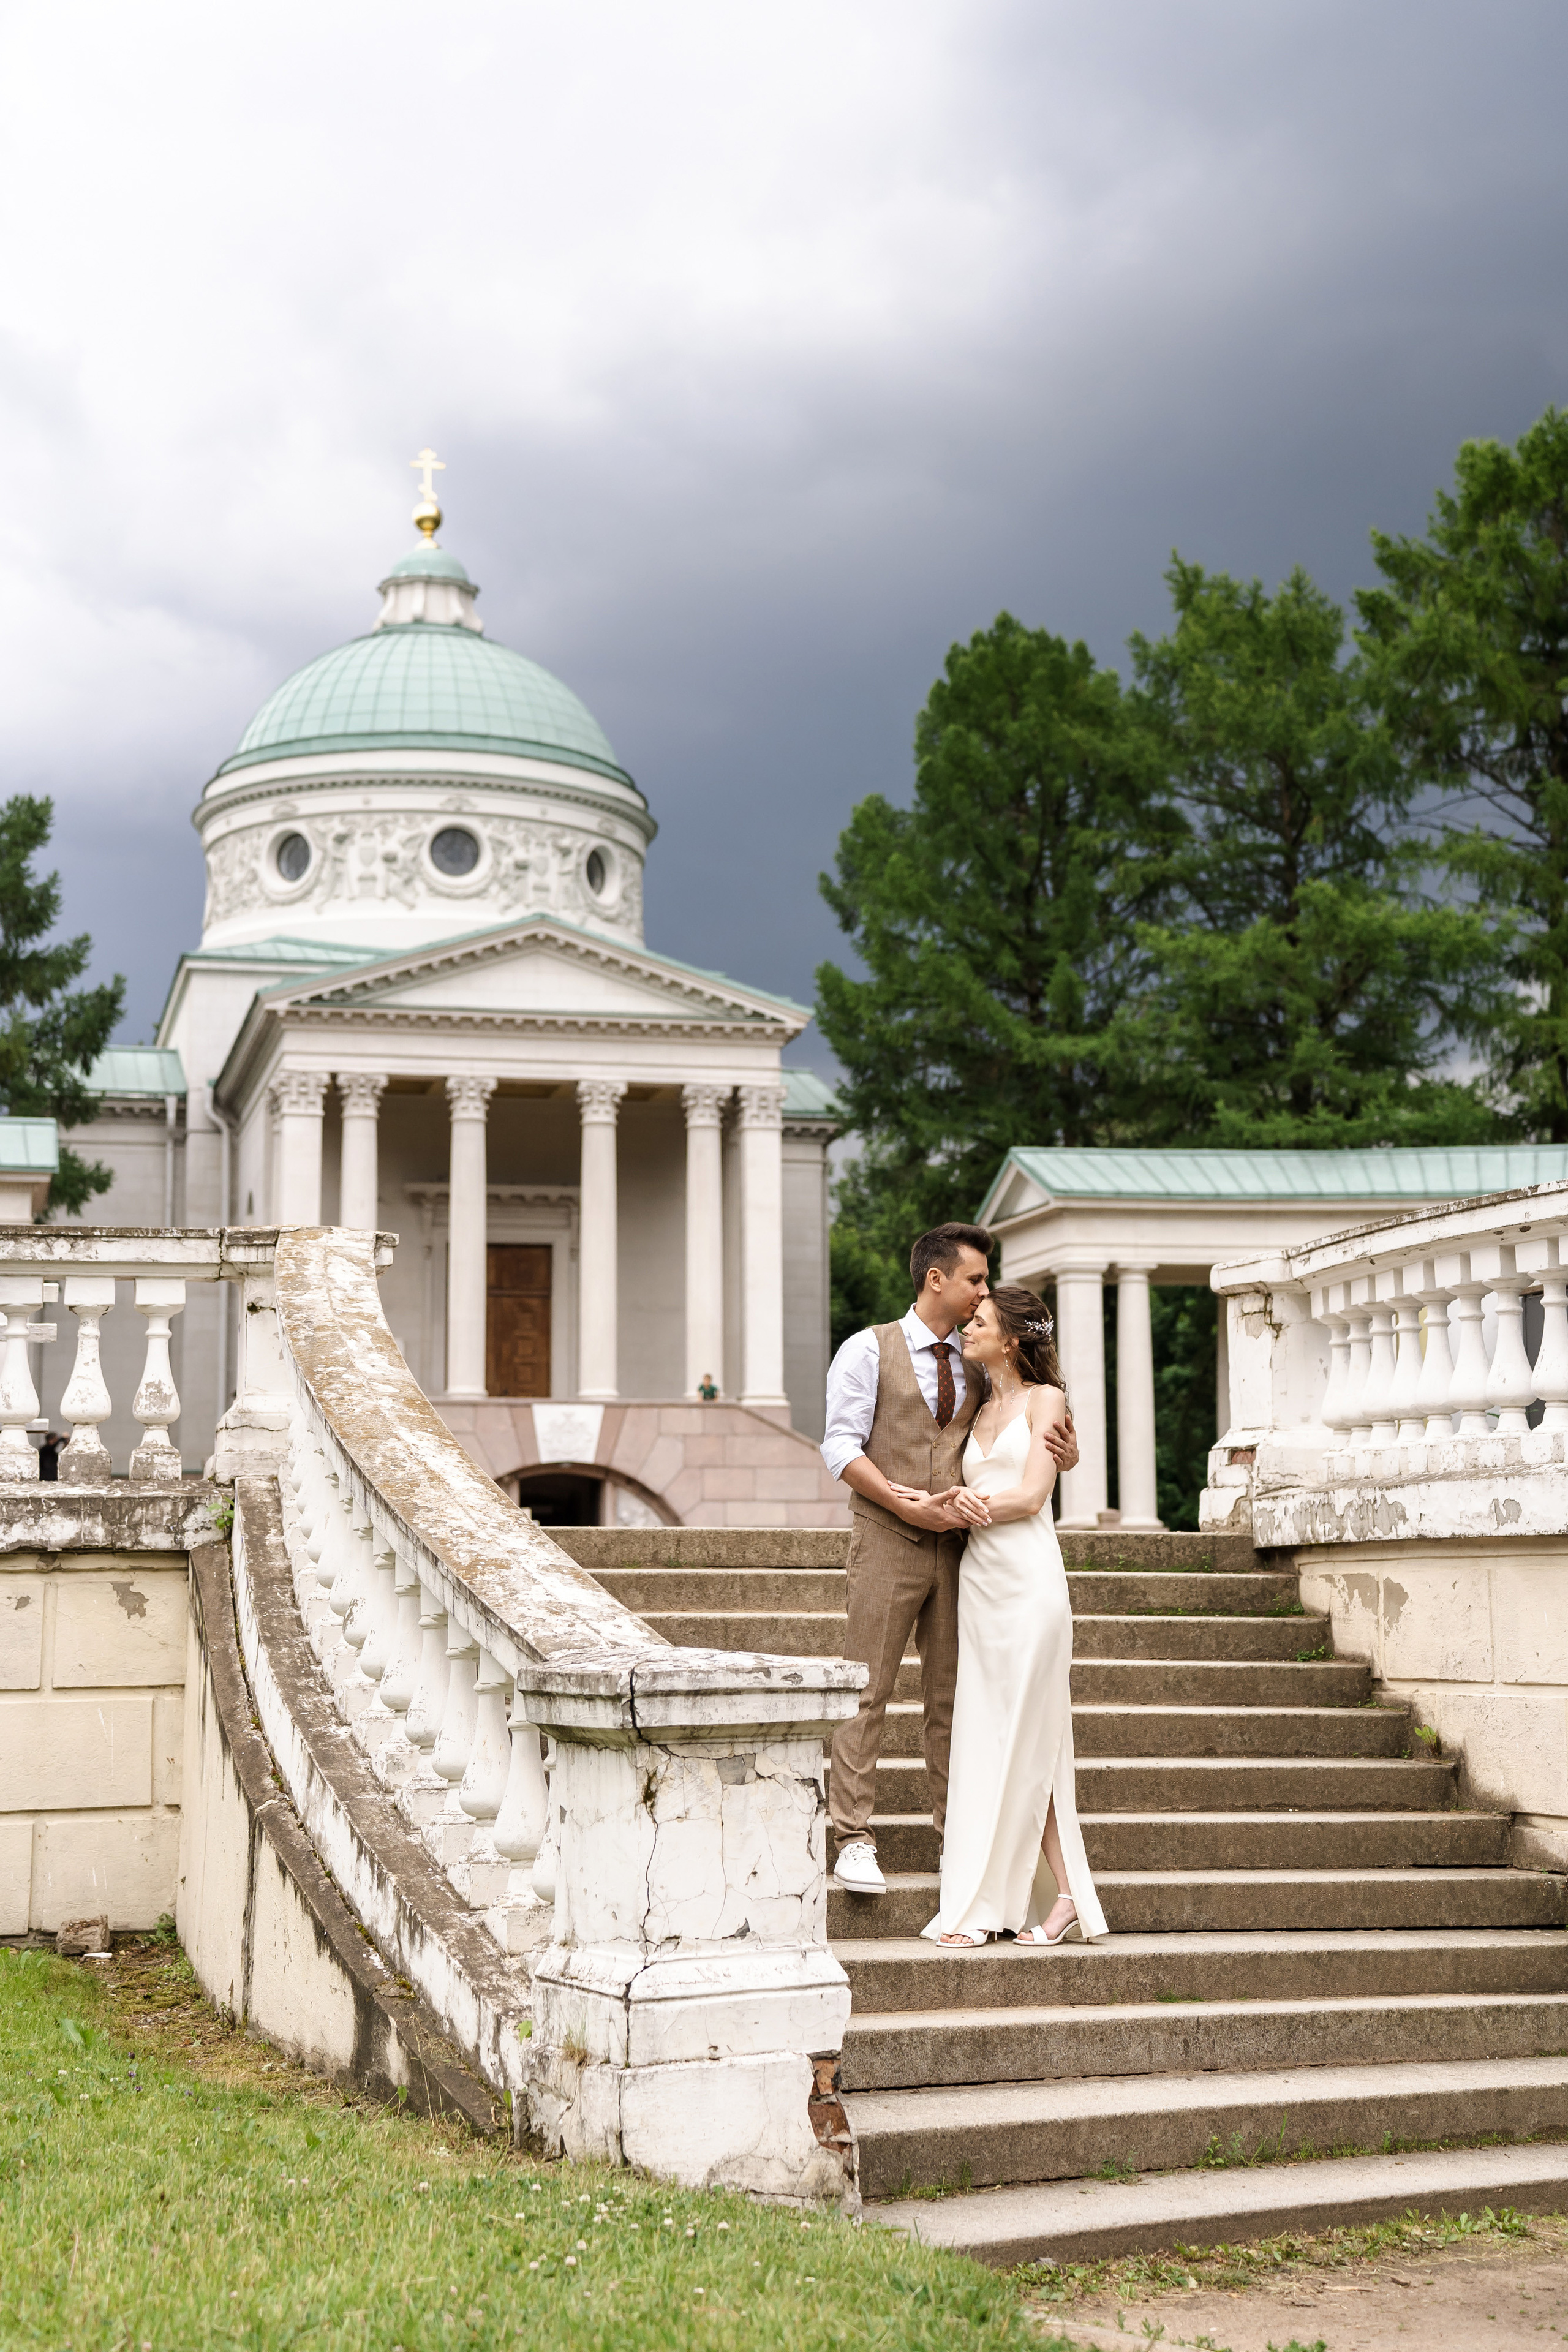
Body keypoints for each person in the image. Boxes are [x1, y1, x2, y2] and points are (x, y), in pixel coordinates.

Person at [820, 1224, 1077, 1896]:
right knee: (866, 1689)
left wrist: (1059, 1455)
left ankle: (953, 1839)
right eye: (974, 1281)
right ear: (936, 1279)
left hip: (967, 1552)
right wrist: (907, 1507)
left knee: (952, 1701)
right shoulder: (865, 1350)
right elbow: (840, 1448)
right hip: (886, 1540)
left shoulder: (978, 1357)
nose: (981, 1294)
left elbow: (1022, 1429)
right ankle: (851, 1837)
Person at [916, 1284, 1108, 1947]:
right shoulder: (978, 1403)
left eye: (980, 1322)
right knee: (989, 1739)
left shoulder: (1045, 1399)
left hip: (1029, 1583)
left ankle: (1059, 1898)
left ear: (1014, 1338)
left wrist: (954, 1505)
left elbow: (1030, 1496)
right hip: (980, 1586)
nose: (968, 1328)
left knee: (1033, 1741)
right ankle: (1012, 1899)